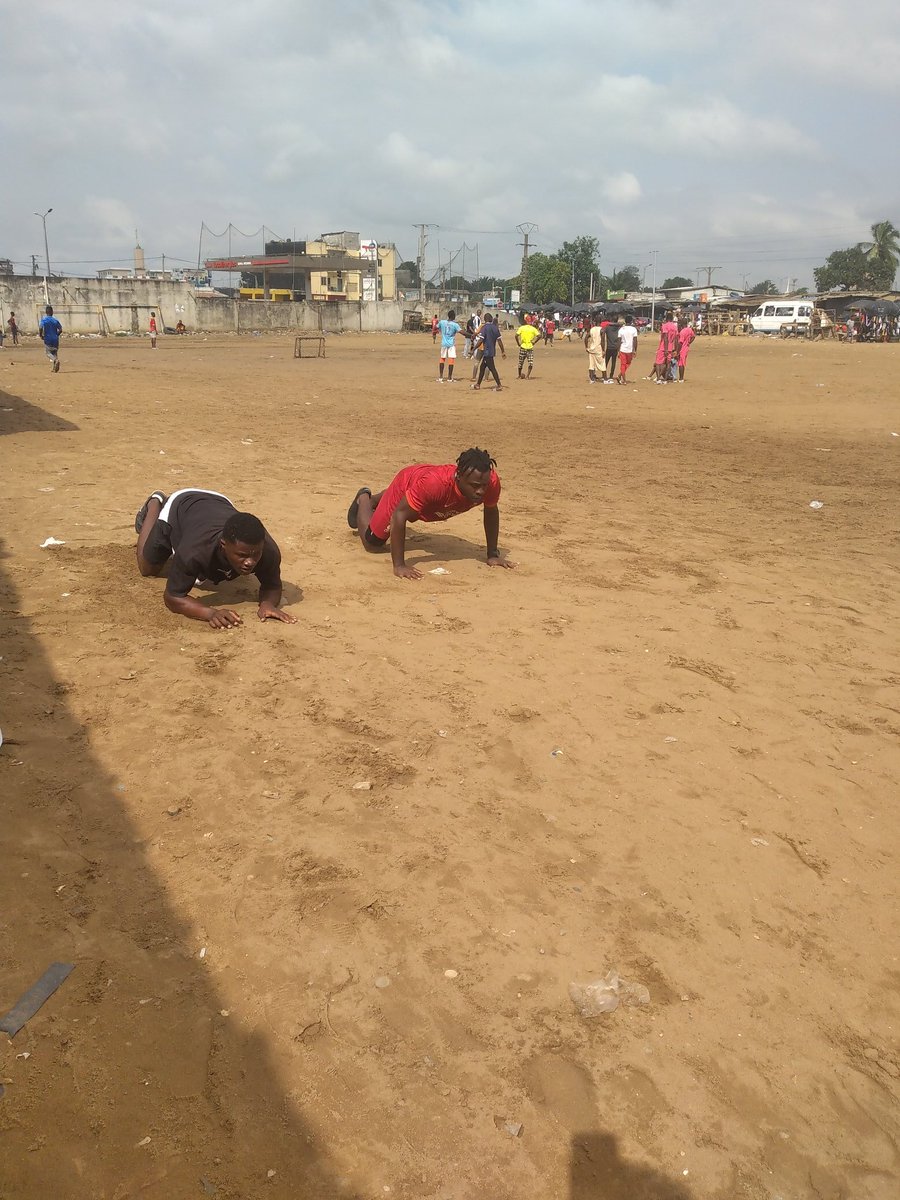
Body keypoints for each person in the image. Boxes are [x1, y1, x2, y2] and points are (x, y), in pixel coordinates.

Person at [134, 488, 296, 627]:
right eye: (242, 555)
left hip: (219, 502)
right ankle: (155, 503)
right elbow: (173, 597)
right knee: (148, 568)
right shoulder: (195, 550)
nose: (250, 562)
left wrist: (267, 604)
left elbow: (272, 585)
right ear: (223, 545)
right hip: (180, 505)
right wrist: (210, 613)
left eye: (255, 555)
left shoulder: (267, 550)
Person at [346, 447, 515, 580]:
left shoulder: (490, 482)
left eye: (484, 486)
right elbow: (399, 515)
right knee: (373, 543)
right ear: (458, 476)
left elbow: (491, 511)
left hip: (424, 493)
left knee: (416, 505)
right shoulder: (434, 484)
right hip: (408, 484)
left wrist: (493, 554)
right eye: (474, 485)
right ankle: (365, 498)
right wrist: (399, 565)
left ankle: (381, 500)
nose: (480, 491)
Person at [473, 314, 505, 390]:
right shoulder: (495, 328)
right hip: (491, 351)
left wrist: (473, 349)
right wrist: (503, 351)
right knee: (482, 367)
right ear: (491, 319)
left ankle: (499, 385)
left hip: (487, 351)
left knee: (492, 368)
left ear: (484, 319)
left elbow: (481, 340)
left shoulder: (484, 328)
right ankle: (478, 384)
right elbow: (499, 341)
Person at [649, 310, 678, 383]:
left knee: (658, 363)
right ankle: (665, 380)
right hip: (671, 348)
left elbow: (665, 338)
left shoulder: (665, 326)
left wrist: (665, 349)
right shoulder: (675, 327)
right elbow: (676, 339)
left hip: (663, 347)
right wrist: (676, 350)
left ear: (666, 318)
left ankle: (658, 378)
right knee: (668, 364)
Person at [436, 309, 463, 382]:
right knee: (451, 359)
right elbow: (462, 332)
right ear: (453, 316)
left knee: (442, 358)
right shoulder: (455, 325)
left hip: (444, 343)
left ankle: (441, 377)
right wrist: (471, 335)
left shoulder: (442, 322)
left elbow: (436, 326)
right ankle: (449, 377)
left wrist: (440, 330)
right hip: (451, 344)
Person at [39, 305, 62, 372]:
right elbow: (60, 329)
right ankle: (54, 368)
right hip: (55, 339)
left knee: (48, 353)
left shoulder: (44, 320)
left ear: (46, 312)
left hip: (48, 338)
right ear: (52, 312)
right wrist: (56, 335)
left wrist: (41, 335)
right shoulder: (55, 320)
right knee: (54, 353)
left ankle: (55, 360)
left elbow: (40, 328)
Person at [616, 315, 638, 384]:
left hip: (622, 349)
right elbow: (635, 341)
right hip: (630, 349)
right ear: (631, 321)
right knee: (626, 364)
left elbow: (619, 341)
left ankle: (620, 376)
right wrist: (635, 350)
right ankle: (624, 379)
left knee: (624, 364)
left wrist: (618, 350)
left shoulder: (621, 329)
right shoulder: (633, 329)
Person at [583, 319, 605, 384]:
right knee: (602, 363)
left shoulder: (592, 329)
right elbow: (603, 341)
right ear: (600, 322)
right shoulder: (602, 330)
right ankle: (605, 379)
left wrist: (586, 347)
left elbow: (586, 338)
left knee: (591, 364)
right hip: (598, 348)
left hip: (592, 348)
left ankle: (592, 379)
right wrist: (603, 350)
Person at [602, 318, 620, 384]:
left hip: (609, 347)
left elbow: (603, 333)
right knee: (613, 362)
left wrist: (608, 323)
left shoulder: (607, 327)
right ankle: (611, 375)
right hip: (616, 347)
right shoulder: (619, 327)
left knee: (606, 362)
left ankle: (604, 375)